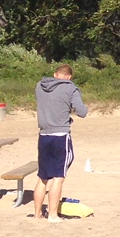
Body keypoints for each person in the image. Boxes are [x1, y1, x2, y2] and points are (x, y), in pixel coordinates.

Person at [33, 64, 88, 223]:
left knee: (43, 177)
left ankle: (37, 214)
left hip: (43, 134)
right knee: (58, 176)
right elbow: (82, 112)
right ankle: (52, 214)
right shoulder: (70, 88)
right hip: (60, 135)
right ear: (69, 77)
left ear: (55, 74)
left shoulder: (40, 86)